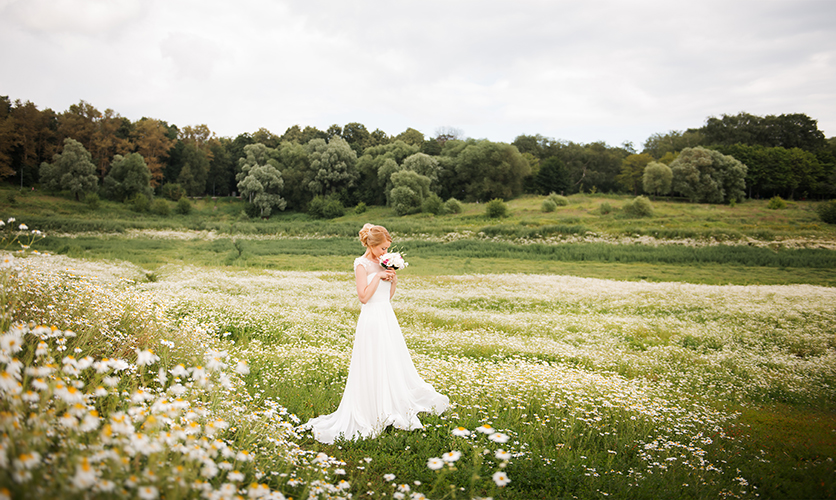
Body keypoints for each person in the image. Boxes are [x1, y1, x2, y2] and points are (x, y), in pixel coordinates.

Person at [301, 223, 449, 444]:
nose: (385, 253)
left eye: (388, 249)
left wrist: (392, 278)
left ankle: (390, 404)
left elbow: (387, 297)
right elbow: (363, 297)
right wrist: (378, 277)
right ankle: (372, 408)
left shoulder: (382, 263)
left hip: (386, 316)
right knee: (372, 362)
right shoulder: (361, 264)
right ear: (371, 245)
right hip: (371, 319)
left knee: (390, 360)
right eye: (382, 249)